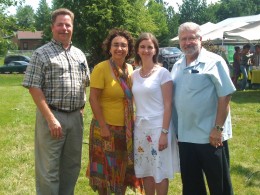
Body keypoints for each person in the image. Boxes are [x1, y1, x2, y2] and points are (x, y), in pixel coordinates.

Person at [22, 8, 90, 195]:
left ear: (72, 27)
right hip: (52, 117)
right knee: (49, 169)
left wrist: (80, 111)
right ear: (52, 27)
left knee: (71, 167)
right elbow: (33, 87)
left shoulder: (79, 54)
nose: (64, 28)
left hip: (76, 118)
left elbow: (85, 84)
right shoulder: (41, 54)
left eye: (68, 24)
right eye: (60, 24)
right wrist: (51, 119)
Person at [171, 22, 236, 195]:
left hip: (211, 137)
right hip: (185, 137)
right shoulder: (177, 65)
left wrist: (218, 128)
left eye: (191, 38)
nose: (187, 42)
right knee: (191, 186)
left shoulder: (214, 62)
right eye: (183, 39)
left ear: (200, 39)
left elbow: (225, 95)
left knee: (219, 186)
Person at [87, 29, 143, 195]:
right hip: (105, 128)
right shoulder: (101, 68)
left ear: (129, 49)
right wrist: (103, 126)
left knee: (123, 167)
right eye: (116, 45)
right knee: (105, 170)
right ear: (109, 48)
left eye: (123, 45)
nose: (120, 48)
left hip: (126, 129)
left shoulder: (131, 70)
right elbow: (93, 99)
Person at [132, 32, 179, 195]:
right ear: (137, 50)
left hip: (159, 127)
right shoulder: (134, 74)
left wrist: (165, 132)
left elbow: (168, 105)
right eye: (142, 47)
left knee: (160, 171)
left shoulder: (163, 73)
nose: (146, 50)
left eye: (149, 47)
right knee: (146, 170)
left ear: (155, 50)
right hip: (140, 128)